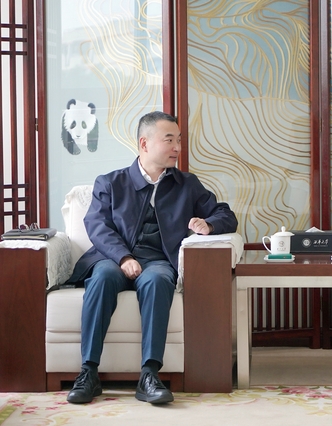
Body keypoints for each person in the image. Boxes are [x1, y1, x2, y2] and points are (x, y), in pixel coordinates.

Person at [66, 111, 238, 405]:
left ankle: (149, 375)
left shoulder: (187, 185)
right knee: (102, 277)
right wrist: (123, 258)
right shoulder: (111, 182)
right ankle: (88, 373)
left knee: (158, 280)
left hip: (159, 260)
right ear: (144, 144)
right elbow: (97, 226)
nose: (177, 148)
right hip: (113, 258)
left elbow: (226, 215)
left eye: (179, 140)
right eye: (169, 140)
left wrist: (208, 225)